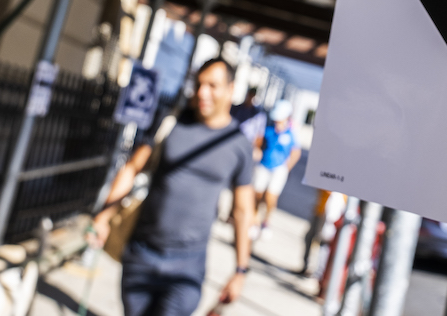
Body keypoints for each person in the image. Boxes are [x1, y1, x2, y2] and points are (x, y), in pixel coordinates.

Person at [91, 58, 255, 316]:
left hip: (187, 266)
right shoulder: (171, 122)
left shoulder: (239, 145)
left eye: (213, 86)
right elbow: (133, 168)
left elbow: (243, 211)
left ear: (231, 90)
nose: (203, 93)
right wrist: (103, 217)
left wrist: (241, 270)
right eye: (199, 84)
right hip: (142, 254)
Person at [251, 100, 301, 239]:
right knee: (258, 194)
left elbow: (296, 152)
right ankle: (254, 219)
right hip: (264, 165)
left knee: (271, 197)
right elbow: (258, 142)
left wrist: (287, 167)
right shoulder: (268, 130)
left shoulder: (291, 134)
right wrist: (257, 150)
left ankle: (266, 221)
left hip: (279, 169)